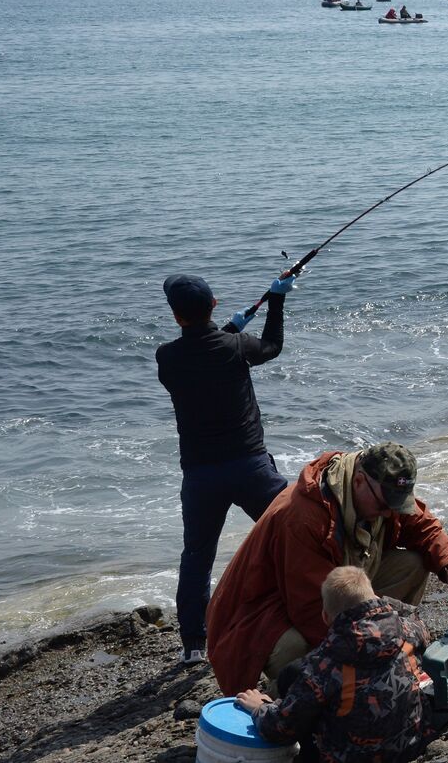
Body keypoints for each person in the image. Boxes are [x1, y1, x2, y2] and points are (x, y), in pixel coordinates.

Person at [206, 442, 448, 694]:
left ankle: (365, 661)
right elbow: (310, 610)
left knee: (411, 564)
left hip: (331, 583)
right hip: (264, 611)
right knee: (299, 647)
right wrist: (371, 645)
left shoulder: (379, 489)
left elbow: (422, 526)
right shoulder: (303, 517)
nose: (390, 514)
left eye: (395, 505)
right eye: (383, 505)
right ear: (358, 481)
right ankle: (284, 696)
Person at [157, 273, 297, 665]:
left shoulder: (166, 357)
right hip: (251, 468)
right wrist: (277, 303)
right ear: (214, 304)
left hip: (201, 477)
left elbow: (202, 352)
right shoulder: (234, 347)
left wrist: (233, 328)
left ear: (175, 316)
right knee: (293, 530)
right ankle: (304, 602)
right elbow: (270, 346)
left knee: (197, 557)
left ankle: (194, 645)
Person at [236, 567, 431, 763]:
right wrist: (378, 604)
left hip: (352, 758)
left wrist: (259, 708)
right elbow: (412, 613)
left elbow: (281, 728)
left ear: (325, 617)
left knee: (293, 678)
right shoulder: (410, 630)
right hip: (409, 746)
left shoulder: (325, 663)